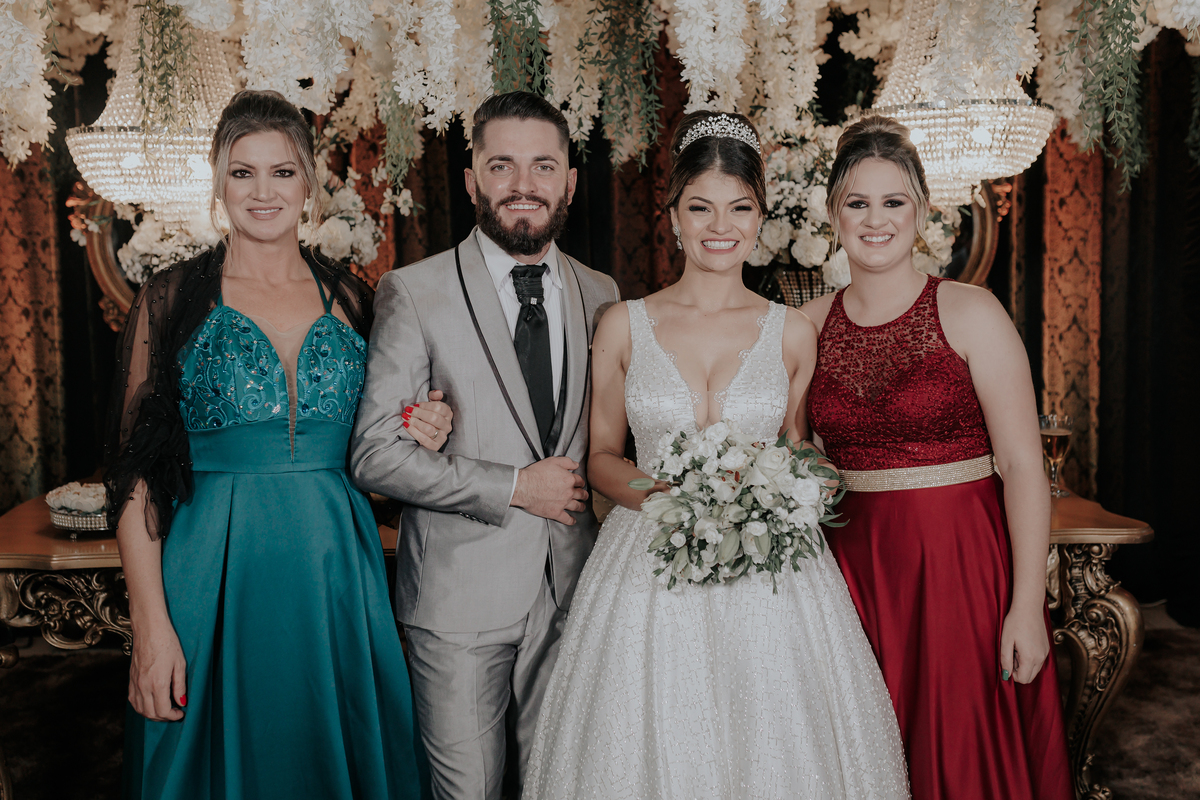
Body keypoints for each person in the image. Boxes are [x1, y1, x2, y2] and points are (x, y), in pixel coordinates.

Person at [522, 111, 910, 800]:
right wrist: (670, 500)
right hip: (649, 559)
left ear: (760, 217)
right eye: (700, 207)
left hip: (769, 570)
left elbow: (797, 447)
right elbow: (602, 456)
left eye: (740, 207)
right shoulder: (623, 323)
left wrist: (811, 480)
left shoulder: (792, 331)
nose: (720, 226)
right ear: (673, 215)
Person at [107, 89, 448, 799]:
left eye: (282, 172)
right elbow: (136, 480)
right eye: (243, 172)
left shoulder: (356, 300)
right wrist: (151, 627)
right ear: (218, 182)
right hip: (210, 579)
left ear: (310, 183)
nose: (263, 192)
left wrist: (426, 429)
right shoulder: (169, 301)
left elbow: (383, 460)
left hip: (336, 579)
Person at [349, 91, 620, 800]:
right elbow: (375, 453)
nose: (523, 184)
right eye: (502, 166)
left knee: (565, 787)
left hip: (575, 595)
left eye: (543, 166)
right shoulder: (414, 292)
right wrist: (514, 486)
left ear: (569, 181)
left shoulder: (602, 294)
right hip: (457, 602)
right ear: (472, 180)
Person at [802, 116, 1073, 800]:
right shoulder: (805, 325)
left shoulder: (971, 311)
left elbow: (1022, 467)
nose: (876, 220)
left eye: (893, 201)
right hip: (852, 572)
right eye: (858, 203)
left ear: (921, 211)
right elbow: (794, 451)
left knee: (956, 749)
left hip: (959, 567)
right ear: (833, 213)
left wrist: (1026, 606)